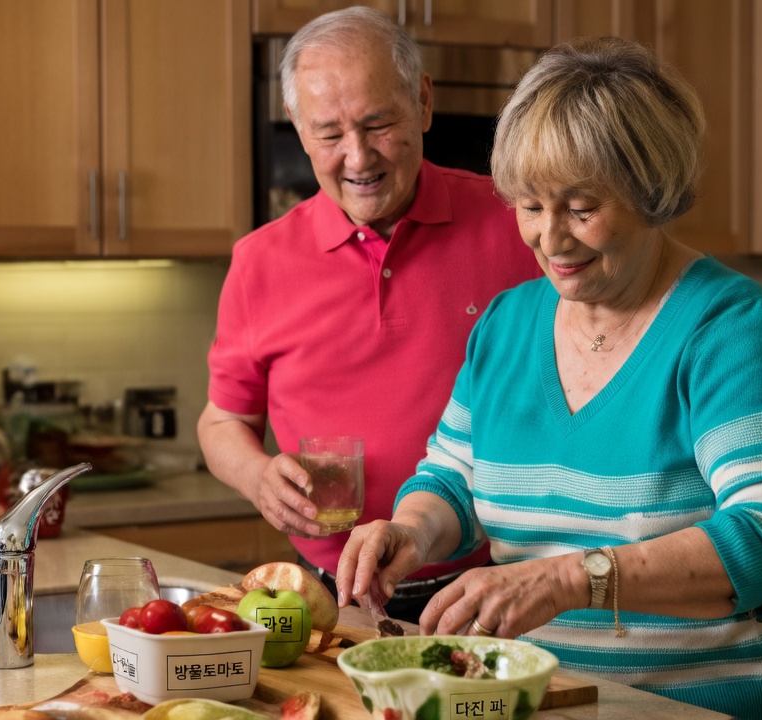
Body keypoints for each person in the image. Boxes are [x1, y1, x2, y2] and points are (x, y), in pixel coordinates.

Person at [334, 37, 762, 720]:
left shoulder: (732, 330)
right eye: (529, 205)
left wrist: (573, 579)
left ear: (652, 193)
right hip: (539, 701)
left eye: (582, 208)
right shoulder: (507, 323)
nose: (550, 238)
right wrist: (410, 533)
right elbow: (452, 478)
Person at [197, 7, 542, 622]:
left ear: (424, 102)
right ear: (300, 133)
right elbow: (223, 420)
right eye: (329, 134)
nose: (358, 157)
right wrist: (256, 477)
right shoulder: (259, 261)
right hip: (332, 594)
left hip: (496, 582)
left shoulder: (518, 222)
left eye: (379, 123)